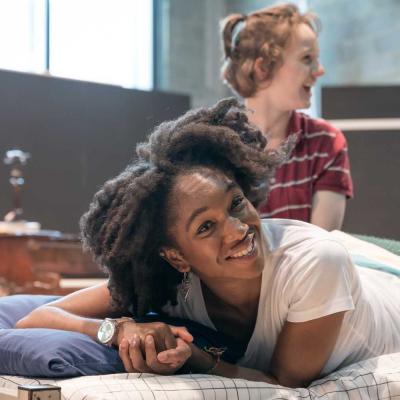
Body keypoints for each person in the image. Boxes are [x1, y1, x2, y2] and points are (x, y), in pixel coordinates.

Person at [17, 99, 400, 388]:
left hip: (378, 282)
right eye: (205, 228)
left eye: (236, 203)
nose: (236, 230)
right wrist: (117, 330)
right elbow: (33, 319)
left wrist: (198, 359)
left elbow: (284, 385)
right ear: (176, 256)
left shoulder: (316, 264)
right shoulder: (168, 283)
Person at [220, 3, 353, 230]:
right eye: (306, 58)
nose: (320, 70)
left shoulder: (326, 142)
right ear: (263, 69)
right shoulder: (215, 144)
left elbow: (322, 246)